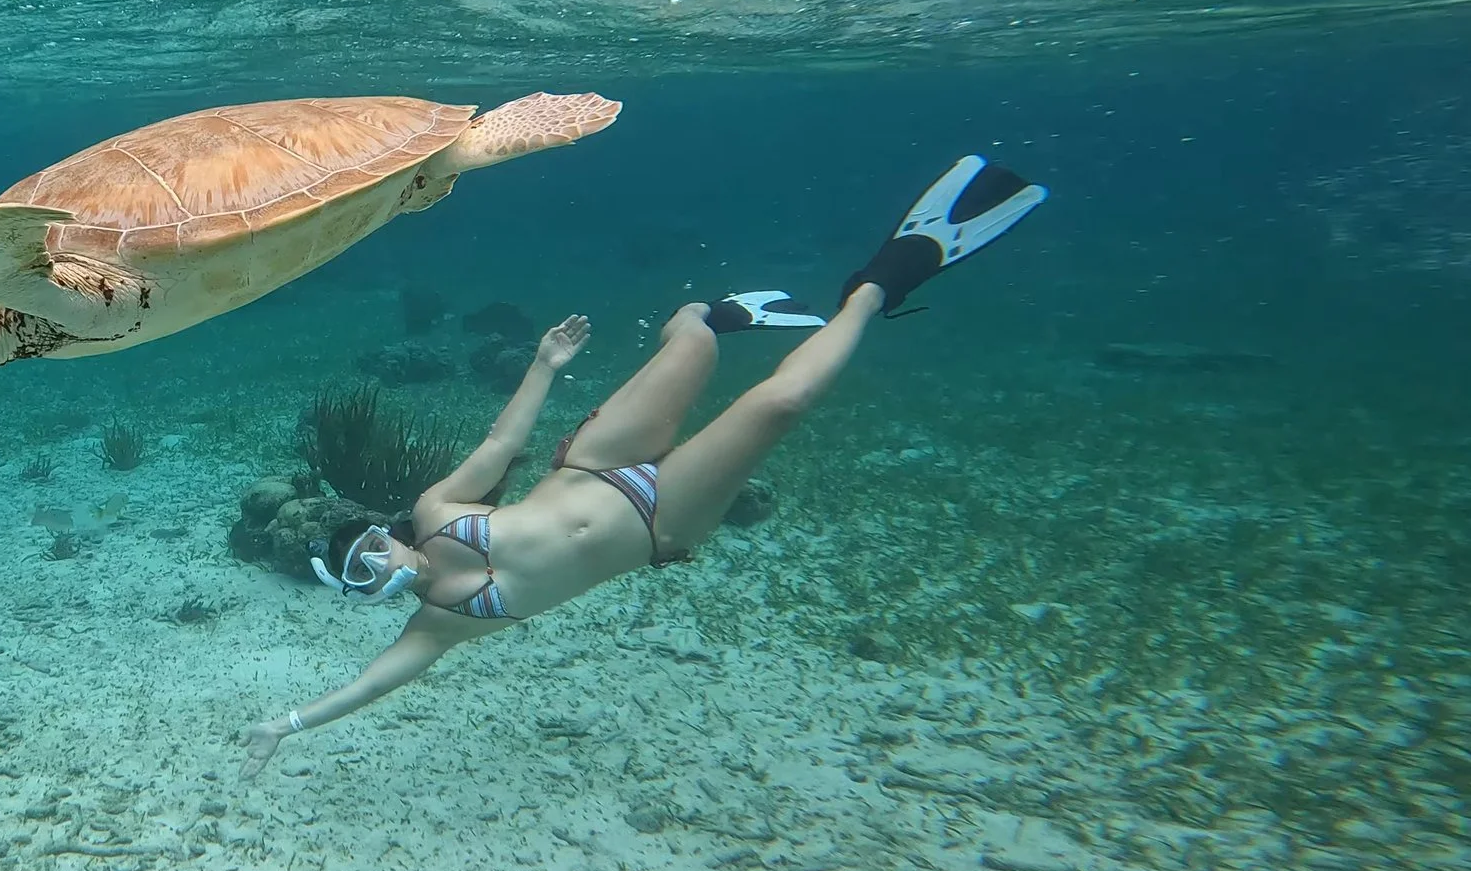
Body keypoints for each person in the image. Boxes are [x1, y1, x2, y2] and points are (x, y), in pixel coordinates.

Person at [241, 156, 1046, 778]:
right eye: (356, 577)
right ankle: (881, 282)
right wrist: (288, 722)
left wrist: (547, 365)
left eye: (364, 551)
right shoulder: (440, 623)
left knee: (692, 337)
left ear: (386, 535)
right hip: (665, 522)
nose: (372, 568)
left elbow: (500, 445)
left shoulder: (437, 511)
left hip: (597, 461)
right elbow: (372, 686)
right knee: (777, 406)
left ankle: (714, 313)